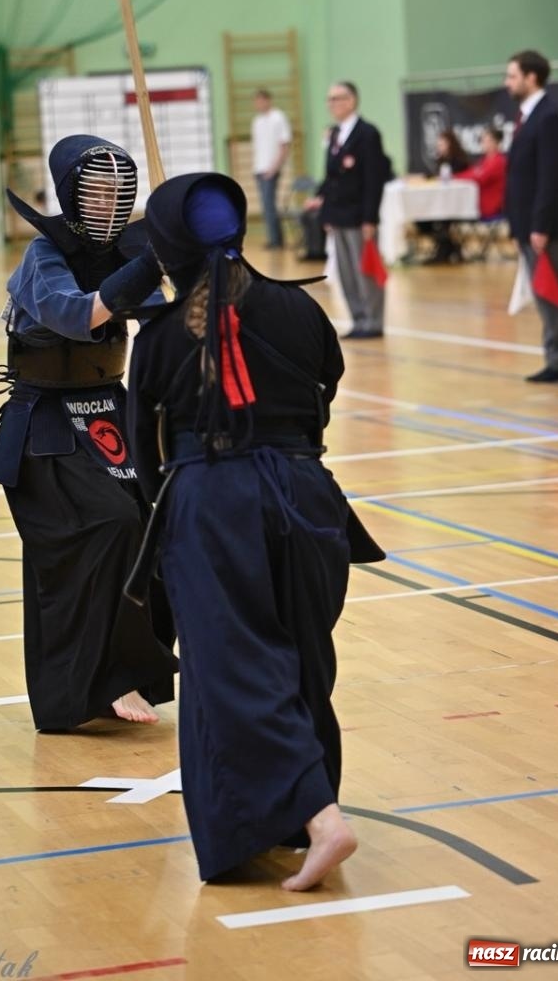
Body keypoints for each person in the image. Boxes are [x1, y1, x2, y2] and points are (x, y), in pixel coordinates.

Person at [126, 171, 385, 890]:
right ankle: (276, 825)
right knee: (303, 660)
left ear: (167, 246)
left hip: (213, 507)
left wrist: (174, 517)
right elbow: (324, 391)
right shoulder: (299, 310)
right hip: (308, 497)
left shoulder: (157, 338)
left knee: (234, 671)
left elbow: (143, 452)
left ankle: (317, 817)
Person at [0, 134, 176, 730]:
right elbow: (80, 314)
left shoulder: (126, 254)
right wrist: (147, 265)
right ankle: (103, 680)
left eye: (121, 190)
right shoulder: (43, 258)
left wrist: (188, 269)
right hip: (46, 430)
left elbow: (166, 318)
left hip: (107, 413)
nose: (110, 201)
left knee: (153, 524)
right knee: (109, 527)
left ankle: (132, 671)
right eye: (98, 189)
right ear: (71, 194)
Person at [504, 49, 558, 383]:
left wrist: (540, 225)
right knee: (541, 293)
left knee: (552, 292)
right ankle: (554, 355)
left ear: (532, 77)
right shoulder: (525, 116)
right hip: (527, 222)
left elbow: (551, 176)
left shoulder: (548, 116)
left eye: (513, 76)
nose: (508, 82)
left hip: (543, 224)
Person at [304, 81, 390, 338]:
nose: (332, 104)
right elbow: (331, 176)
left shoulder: (367, 134)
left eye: (337, 98)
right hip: (337, 215)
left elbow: (374, 179)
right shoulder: (333, 134)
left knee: (364, 270)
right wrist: (320, 199)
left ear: (351, 100)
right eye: (329, 99)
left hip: (358, 215)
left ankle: (373, 321)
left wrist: (369, 218)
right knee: (345, 272)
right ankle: (358, 318)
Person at [418, 129, 472, 264]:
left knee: (442, 221)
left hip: (456, 203)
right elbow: (435, 176)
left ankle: (445, 249)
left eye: (442, 143)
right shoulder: (440, 160)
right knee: (421, 219)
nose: (439, 146)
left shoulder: (460, 161)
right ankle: (450, 246)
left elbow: (462, 178)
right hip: (439, 203)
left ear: (450, 144)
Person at [250, 89, 292, 249]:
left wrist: (274, 168)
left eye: (261, 100)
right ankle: (276, 239)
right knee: (267, 205)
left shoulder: (278, 118)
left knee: (269, 205)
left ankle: (275, 240)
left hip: (271, 169)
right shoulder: (256, 121)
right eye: (256, 101)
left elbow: (284, 145)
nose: (258, 104)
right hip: (259, 169)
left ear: (268, 100)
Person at [458, 125, 507, 219]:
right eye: (482, 141)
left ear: (496, 142)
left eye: (487, 141)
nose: (483, 144)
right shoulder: (485, 160)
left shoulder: (498, 161)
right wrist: (455, 177)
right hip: (480, 208)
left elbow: (479, 177)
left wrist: (455, 177)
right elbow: (472, 173)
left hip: (491, 210)